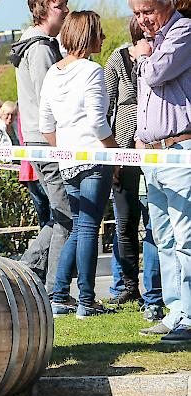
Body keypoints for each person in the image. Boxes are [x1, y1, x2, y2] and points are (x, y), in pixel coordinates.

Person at [41, 10, 118, 318]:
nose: (104, 37)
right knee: (88, 227)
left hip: (67, 159)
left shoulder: (53, 72)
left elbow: (46, 124)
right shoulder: (92, 70)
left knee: (77, 226)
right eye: (99, 32)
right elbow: (99, 123)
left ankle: (60, 293)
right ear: (89, 35)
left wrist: (63, 149)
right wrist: (114, 156)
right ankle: (87, 299)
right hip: (94, 155)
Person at [128, 0, 191, 343]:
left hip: (179, 149)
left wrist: (141, 56)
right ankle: (175, 310)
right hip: (151, 153)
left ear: (167, 4)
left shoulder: (183, 32)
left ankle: (190, 314)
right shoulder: (152, 43)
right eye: (137, 13)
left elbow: (155, 73)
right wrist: (139, 138)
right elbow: (146, 100)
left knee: (186, 237)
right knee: (163, 237)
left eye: (148, 11)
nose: (143, 20)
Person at [104, 16, 164, 321]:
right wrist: (112, 154)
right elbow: (106, 105)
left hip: (155, 147)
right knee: (125, 222)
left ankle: (156, 290)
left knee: (156, 221)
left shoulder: (164, 56)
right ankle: (128, 286)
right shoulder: (117, 58)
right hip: (125, 150)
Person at [14, 0, 72, 299]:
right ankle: (54, 290)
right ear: (47, 7)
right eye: (62, 5)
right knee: (66, 215)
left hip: (39, 139)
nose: (66, 11)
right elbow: (50, 99)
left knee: (61, 214)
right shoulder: (39, 49)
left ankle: (27, 270)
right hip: (47, 140)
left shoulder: (34, 45)